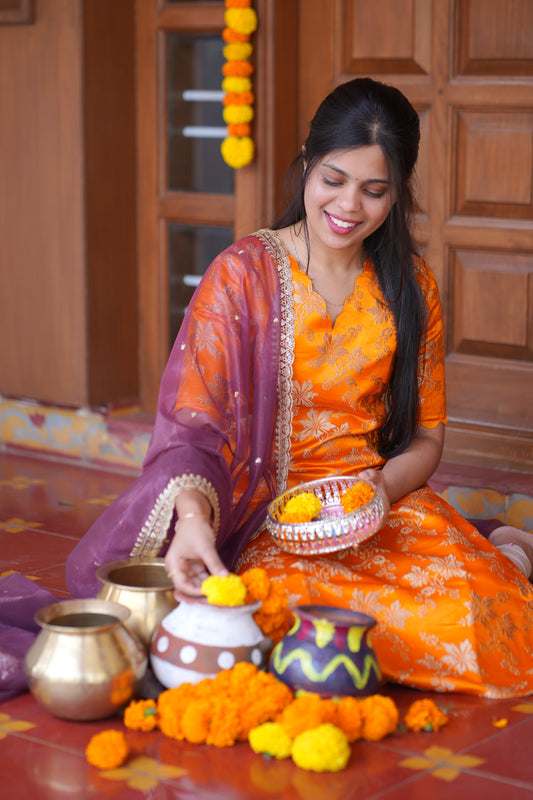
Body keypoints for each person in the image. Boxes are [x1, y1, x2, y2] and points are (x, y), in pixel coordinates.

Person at [65, 77, 533, 698]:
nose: (348, 207)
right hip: (268, 513)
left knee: (482, 612)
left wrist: (382, 489)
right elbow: (192, 427)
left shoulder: (411, 286)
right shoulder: (242, 275)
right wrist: (195, 521)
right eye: (333, 180)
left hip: (376, 502)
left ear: (397, 194)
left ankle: (508, 559)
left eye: (374, 190)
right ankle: (502, 552)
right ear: (308, 165)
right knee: (287, 618)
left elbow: (426, 436)